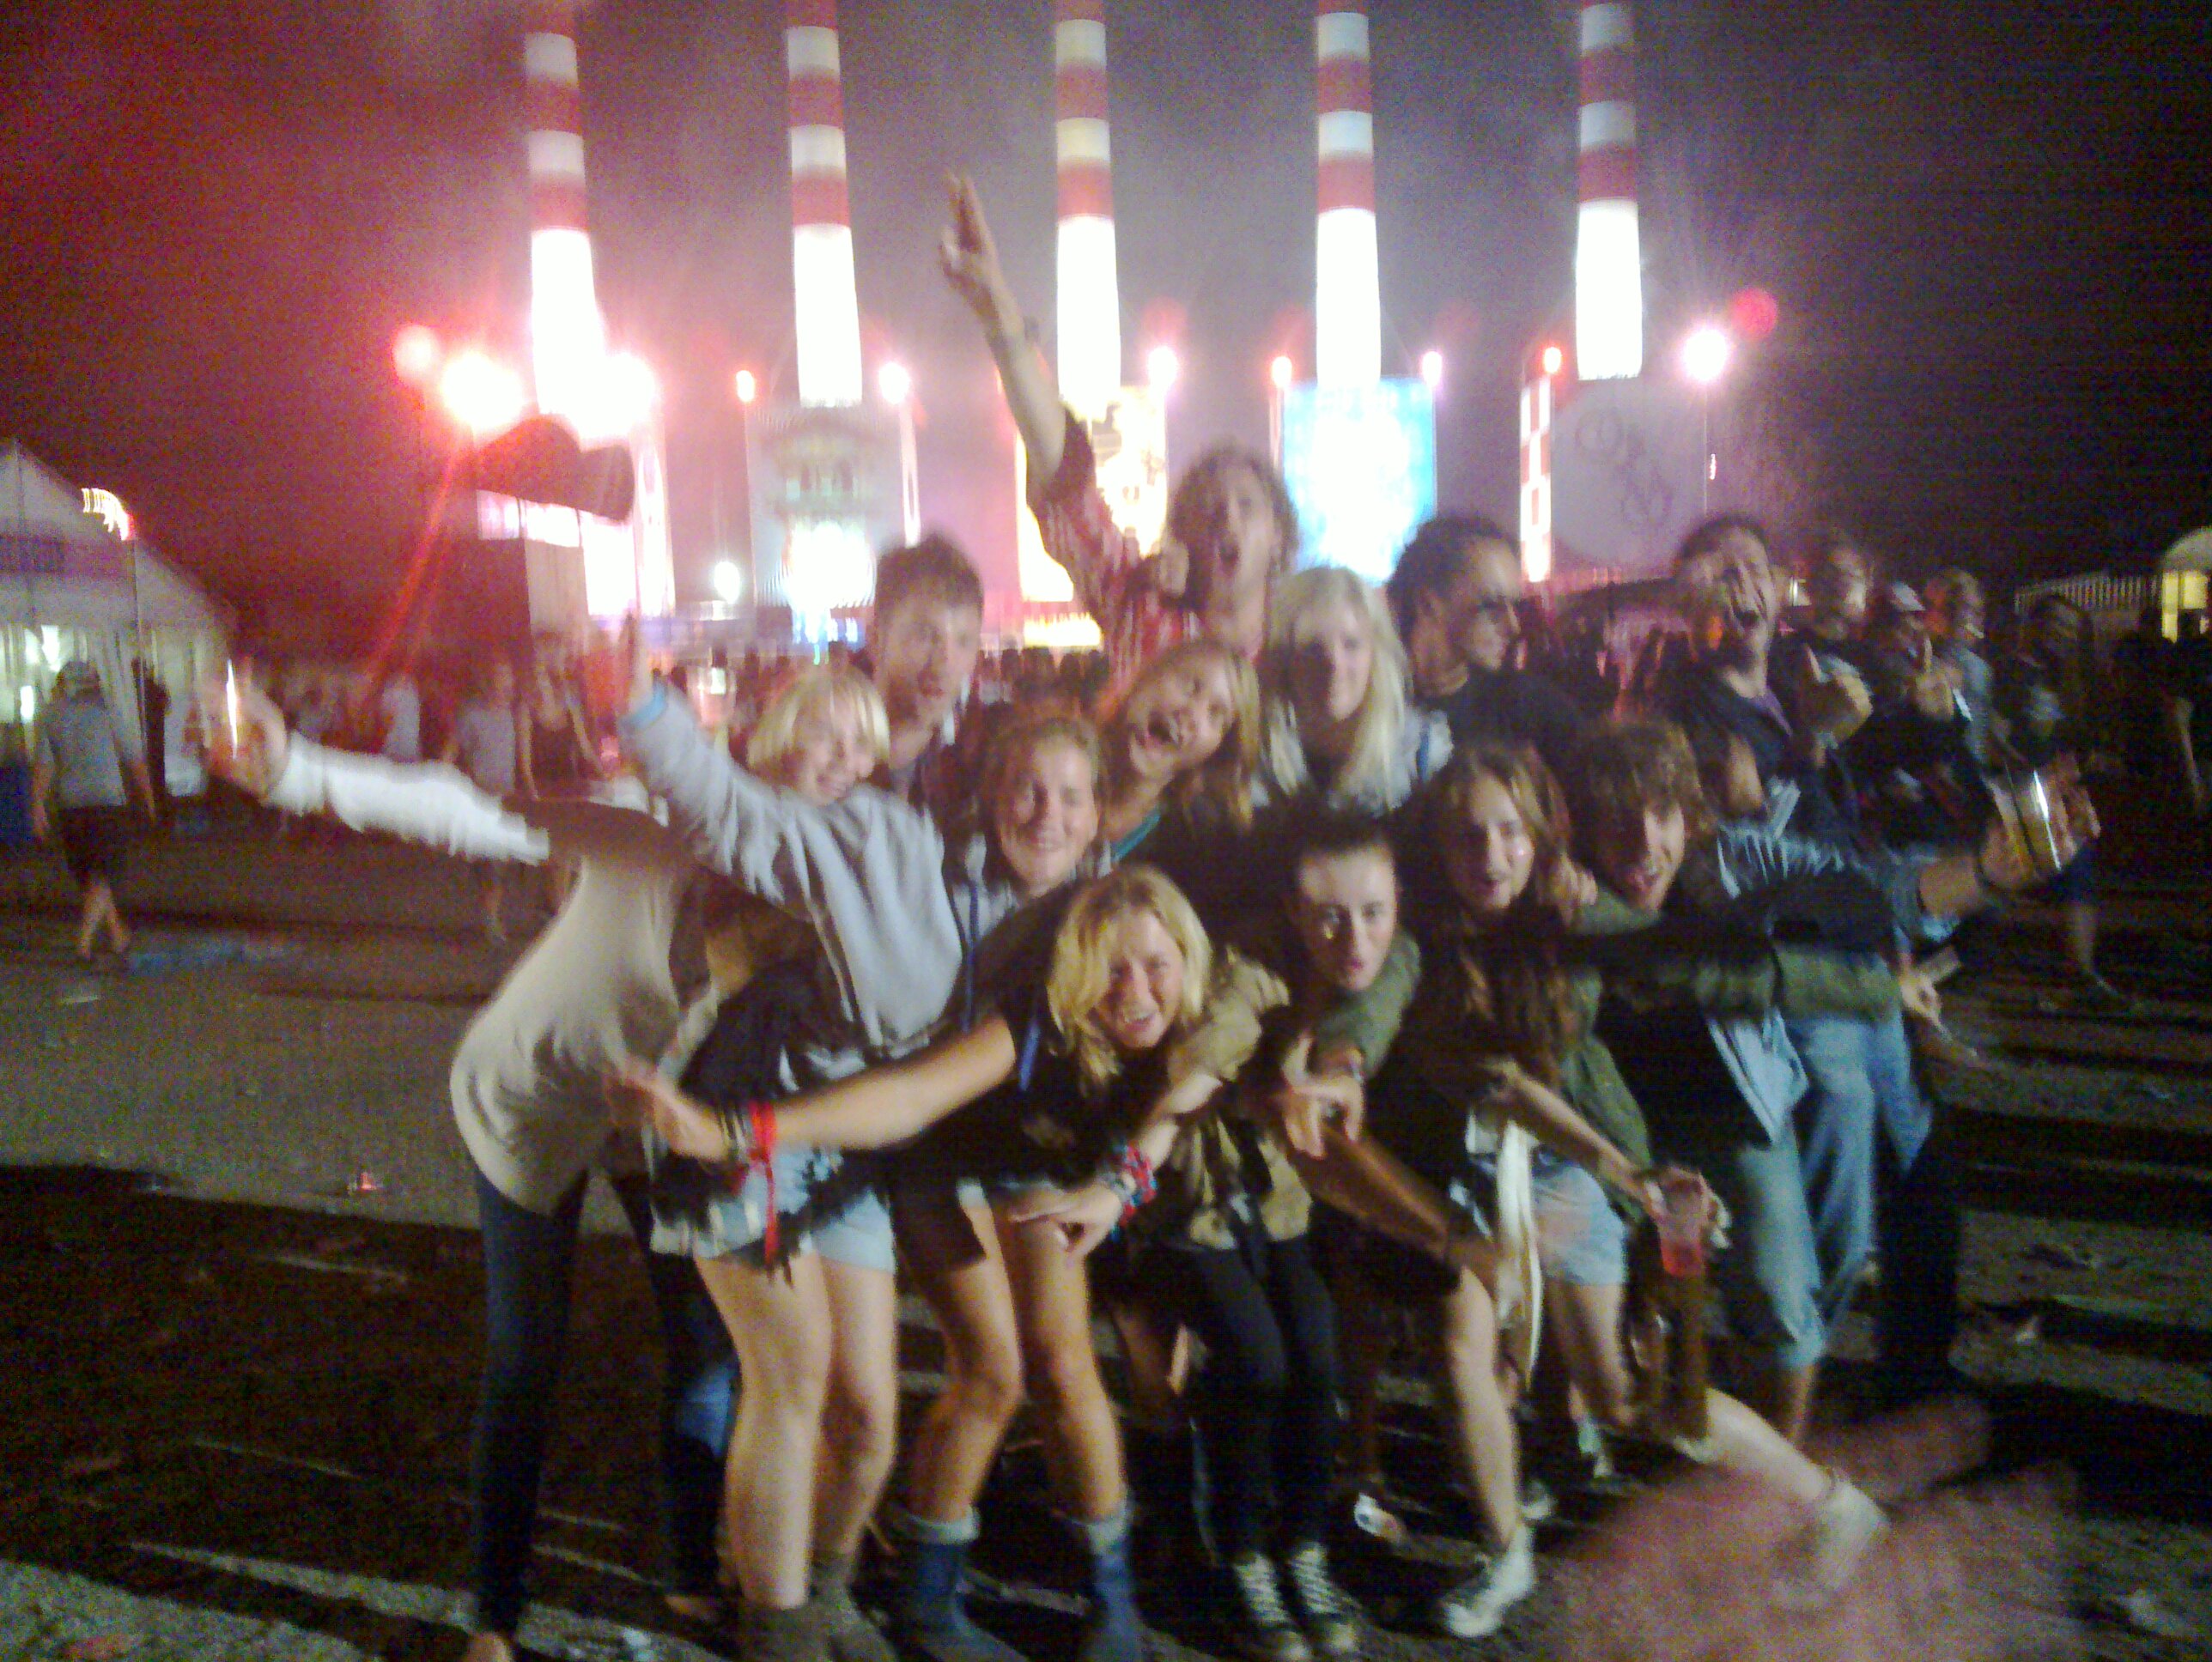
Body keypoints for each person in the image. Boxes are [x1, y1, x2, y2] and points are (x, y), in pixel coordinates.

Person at [199, 670, 825, 1662]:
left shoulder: (827, 885)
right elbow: (470, 811)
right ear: (760, 750)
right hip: (530, 1094)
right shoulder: (647, 824)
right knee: (528, 1354)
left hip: (660, 1116)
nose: (828, 770)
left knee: (703, 1347)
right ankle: (493, 1615)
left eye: (852, 753)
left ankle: (690, 1570)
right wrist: (293, 772)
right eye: (811, 745)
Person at [940, 173, 1294, 685]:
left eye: (1247, 505)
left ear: (1280, 537)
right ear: (1182, 535)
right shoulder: (1139, 608)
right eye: (1210, 507)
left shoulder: (1306, 655)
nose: (1227, 519)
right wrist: (1000, 315)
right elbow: (1065, 478)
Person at [1383, 514, 1583, 779]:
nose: (1513, 626)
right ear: (1427, 603)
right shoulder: (1370, 708)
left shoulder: (1534, 712)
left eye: (1514, 605)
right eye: (1491, 606)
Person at [31, 659, 156, 962]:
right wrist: (149, 798)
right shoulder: (108, 710)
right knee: (105, 874)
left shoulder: (50, 715)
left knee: (90, 876)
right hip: (107, 802)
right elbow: (133, 758)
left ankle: (117, 936)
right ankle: (84, 943)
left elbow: (45, 765)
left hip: (70, 805)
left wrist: (38, 806)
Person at [865, 537, 987, 817]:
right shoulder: (814, 768)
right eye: (925, 636)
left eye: (964, 641)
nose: (945, 662)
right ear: (876, 639)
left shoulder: (979, 783)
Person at [445, 659, 526, 943]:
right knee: (492, 861)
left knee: (500, 861)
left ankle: (491, 914)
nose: (507, 684)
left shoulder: (514, 715)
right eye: (501, 677)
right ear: (488, 682)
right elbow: (452, 750)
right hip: (481, 797)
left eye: (509, 678)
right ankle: (491, 919)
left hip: (508, 798)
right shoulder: (472, 715)